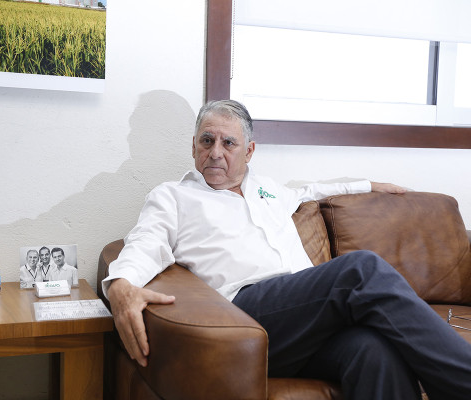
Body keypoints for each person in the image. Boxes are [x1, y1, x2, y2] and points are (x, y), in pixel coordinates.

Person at [103, 100, 471, 400]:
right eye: (207, 141)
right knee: (360, 270)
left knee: (374, 351)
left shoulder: (269, 191)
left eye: (228, 143)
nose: (215, 152)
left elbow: (313, 191)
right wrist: (120, 285)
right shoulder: (174, 196)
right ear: (194, 146)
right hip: (244, 315)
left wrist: (368, 184)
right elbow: (144, 242)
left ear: (249, 151)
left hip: (303, 322)